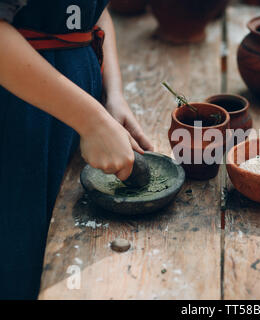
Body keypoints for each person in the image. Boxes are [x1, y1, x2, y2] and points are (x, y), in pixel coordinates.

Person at [0, 0, 152, 299]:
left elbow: (94, 13)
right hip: (20, 119)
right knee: (18, 255)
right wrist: (91, 121)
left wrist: (113, 95)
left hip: (77, 114)